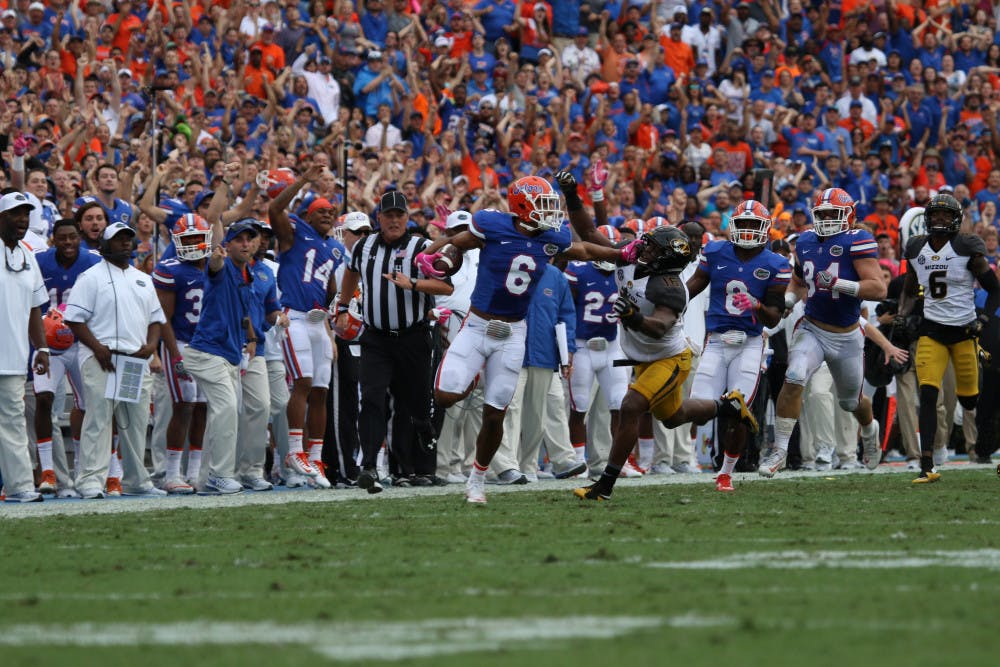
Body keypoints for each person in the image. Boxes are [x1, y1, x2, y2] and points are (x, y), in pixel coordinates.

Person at [420, 175, 646, 504]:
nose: (551, 212)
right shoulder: (492, 225)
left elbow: (583, 249)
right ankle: (473, 375)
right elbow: (459, 243)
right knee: (443, 396)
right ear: (522, 206)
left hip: (514, 332)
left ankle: (477, 479)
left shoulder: (551, 237)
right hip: (478, 324)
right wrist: (437, 258)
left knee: (496, 412)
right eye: (543, 205)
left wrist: (620, 255)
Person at [554, 171, 759, 502]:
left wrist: (632, 315)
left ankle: (604, 485)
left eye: (650, 248)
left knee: (631, 404)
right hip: (643, 356)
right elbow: (590, 232)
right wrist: (572, 193)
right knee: (673, 416)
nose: (641, 248)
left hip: (669, 358)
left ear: (664, 259)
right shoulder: (628, 255)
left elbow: (658, 326)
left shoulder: (670, 287)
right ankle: (729, 408)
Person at [760, 188, 887, 477]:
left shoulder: (858, 240)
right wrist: (790, 301)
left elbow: (878, 289)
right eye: (823, 214)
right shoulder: (805, 241)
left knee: (850, 402)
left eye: (834, 213)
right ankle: (779, 449)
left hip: (847, 335)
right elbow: (797, 280)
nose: (828, 219)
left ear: (849, 215)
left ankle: (869, 431)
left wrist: (840, 284)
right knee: (794, 377)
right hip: (813, 328)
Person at [335, 192, 453, 493]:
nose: (395, 220)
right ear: (379, 218)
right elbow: (350, 274)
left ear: (407, 217)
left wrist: (412, 283)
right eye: (389, 215)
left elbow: (445, 286)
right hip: (376, 337)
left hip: (413, 335)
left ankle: (408, 468)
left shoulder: (421, 247)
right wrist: (344, 307)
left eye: (400, 214)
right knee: (372, 398)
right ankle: (370, 465)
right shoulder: (364, 246)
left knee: (412, 405)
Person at [684, 200, 792, 491]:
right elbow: (692, 286)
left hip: (750, 343)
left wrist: (757, 305)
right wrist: (673, 304)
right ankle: (697, 449)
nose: (746, 230)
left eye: (752, 225)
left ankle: (725, 472)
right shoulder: (716, 251)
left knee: (739, 410)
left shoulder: (776, 264)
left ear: (765, 229)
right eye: (741, 224)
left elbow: (772, 318)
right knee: (698, 407)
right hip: (717, 341)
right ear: (732, 226)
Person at [898, 194, 999, 483]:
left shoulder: (967, 246)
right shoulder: (916, 248)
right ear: (927, 219)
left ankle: (986, 440)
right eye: (935, 215)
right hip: (933, 332)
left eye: (946, 215)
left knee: (969, 401)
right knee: (928, 394)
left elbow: (994, 288)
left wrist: (984, 318)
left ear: (955, 219)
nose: (940, 219)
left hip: (964, 333)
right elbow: (908, 287)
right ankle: (926, 463)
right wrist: (903, 315)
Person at [64, 222, 166, 499]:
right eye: (118, 239)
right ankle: (90, 480)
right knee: (98, 419)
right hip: (102, 358)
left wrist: (152, 344)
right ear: (104, 245)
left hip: (134, 359)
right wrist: (97, 348)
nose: (125, 244)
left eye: (128, 239)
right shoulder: (90, 277)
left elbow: (156, 319)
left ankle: (136, 479)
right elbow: (73, 318)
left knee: (134, 421)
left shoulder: (142, 278)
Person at [268, 165, 342, 485]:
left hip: (316, 322)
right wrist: (302, 182)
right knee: (303, 381)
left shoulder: (335, 248)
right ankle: (294, 450)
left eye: (332, 211)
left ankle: (315, 458)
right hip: (292, 316)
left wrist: (335, 311)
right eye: (321, 211)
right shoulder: (294, 233)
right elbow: (274, 208)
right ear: (307, 216)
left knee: (322, 391)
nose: (328, 214)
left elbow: (330, 289)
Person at [183, 219, 263, 495]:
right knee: (226, 408)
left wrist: (251, 338)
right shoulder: (223, 265)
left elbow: (242, 314)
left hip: (228, 354)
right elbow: (214, 267)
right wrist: (216, 258)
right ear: (227, 245)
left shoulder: (246, 275)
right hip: (207, 352)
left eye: (249, 239)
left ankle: (206, 479)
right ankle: (220, 474)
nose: (245, 243)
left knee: (225, 414)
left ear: (255, 244)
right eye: (239, 239)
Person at [32, 218, 99, 496]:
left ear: (79, 237)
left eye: (73, 237)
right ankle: (48, 471)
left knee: (90, 405)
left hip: (81, 343)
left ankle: (84, 471)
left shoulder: (93, 262)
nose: (68, 243)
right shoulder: (39, 262)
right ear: (53, 240)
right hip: (50, 346)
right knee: (44, 398)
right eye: (62, 238)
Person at [152, 214, 213, 494]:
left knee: (201, 407)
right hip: (182, 342)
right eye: (186, 240)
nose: (192, 245)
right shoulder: (171, 270)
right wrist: (174, 354)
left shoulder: (215, 268)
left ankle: (194, 472)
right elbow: (163, 318)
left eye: (196, 239)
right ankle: (172, 473)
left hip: (208, 346)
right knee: (184, 405)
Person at [565, 225, 630, 470]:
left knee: (620, 405)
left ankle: (616, 461)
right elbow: (569, 311)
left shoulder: (624, 275)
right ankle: (577, 461)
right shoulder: (578, 271)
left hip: (612, 347)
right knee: (579, 406)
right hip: (583, 347)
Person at [0, 192, 49, 503]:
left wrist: (41, 348)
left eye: (25, 214)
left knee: (14, 424)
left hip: (15, 358)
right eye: (15, 214)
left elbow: (35, 306)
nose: (22, 220)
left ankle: (19, 487)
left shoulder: (28, 256)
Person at [239, 220, 286, 491]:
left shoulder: (267, 272)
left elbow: (270, 309)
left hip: (258, 347)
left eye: (264, 237)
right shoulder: (229, 268)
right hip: (230, 345)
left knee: (263, 406)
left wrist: (277, 316)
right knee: (228, 410)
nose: (261, 241)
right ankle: (222, 470)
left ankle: (253, 469)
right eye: (255, 236)